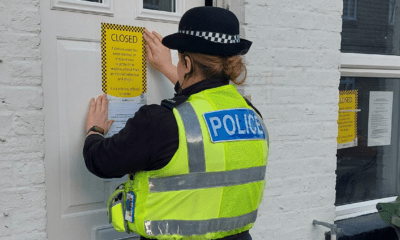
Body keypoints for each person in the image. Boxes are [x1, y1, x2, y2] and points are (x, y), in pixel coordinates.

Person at [84, 6, 269, 240]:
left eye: (180, 60)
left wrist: (95, 130)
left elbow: (100, 161)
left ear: (188, 63)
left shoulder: (160, 122)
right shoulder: (253, 116)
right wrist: (168, 67)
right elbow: (205, 101)